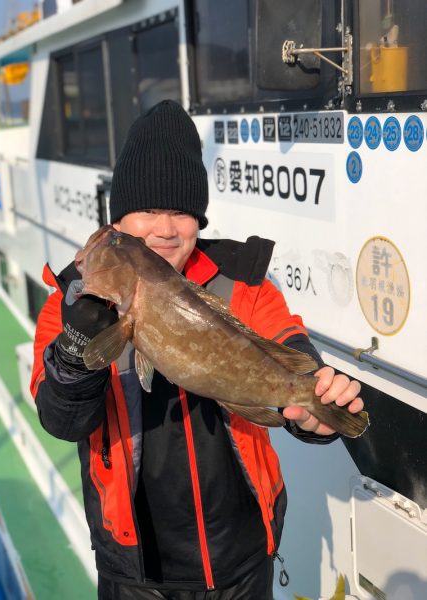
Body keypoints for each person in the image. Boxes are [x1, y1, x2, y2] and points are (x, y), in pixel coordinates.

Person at [31, 100, 363, 600]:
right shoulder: (68, 303)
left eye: (181, 212)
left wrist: (314, 405)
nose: (165, 229)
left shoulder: (244, 284)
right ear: (118, 220)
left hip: (243, 560)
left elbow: (290, 347)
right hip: (136, 572)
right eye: (147, 211)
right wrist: (77, 347)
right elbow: (62, 420)